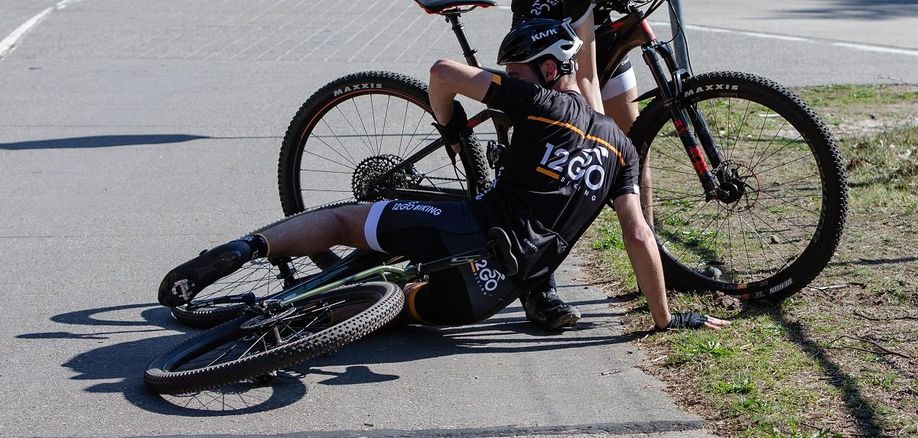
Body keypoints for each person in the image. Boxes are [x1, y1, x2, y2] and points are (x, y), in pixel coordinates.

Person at [158, 19, 728, 332]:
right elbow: (637, 235)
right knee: (389, 305)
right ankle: (294, 329)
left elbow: (441, 71)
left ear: (550, 69)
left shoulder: (543, 103)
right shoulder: (624, 150)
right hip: (484, 300)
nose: (512, 77)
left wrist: (451, 123)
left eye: (519, 69)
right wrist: (666, 318)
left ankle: (232, 255)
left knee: (342, 221)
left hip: (467, 231)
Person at [509, 0, 643, 329]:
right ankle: (539, 290)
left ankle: (652, 261)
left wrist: (609, 142)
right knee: (543, 169)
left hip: (594, 34)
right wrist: (597, 135)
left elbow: (589, 75)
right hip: (543, 46)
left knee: (636, 151)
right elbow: (583, 75)